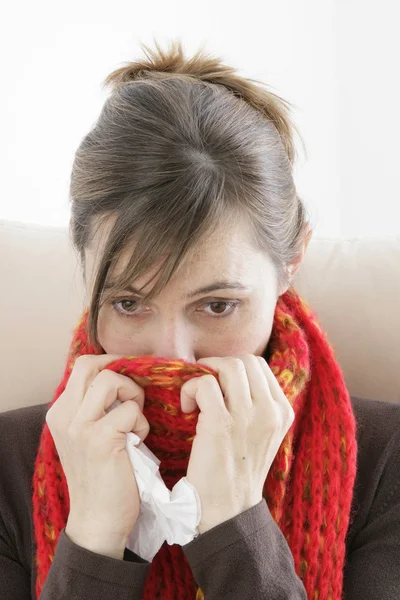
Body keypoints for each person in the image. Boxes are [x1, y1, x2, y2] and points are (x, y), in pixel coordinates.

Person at [0, 38, 399, 600]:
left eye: (216, 306)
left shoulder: (388, 463)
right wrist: (92, 539)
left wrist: (236, 522)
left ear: (291, 264)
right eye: (128, 303)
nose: (171, 357)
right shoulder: (7, 464)